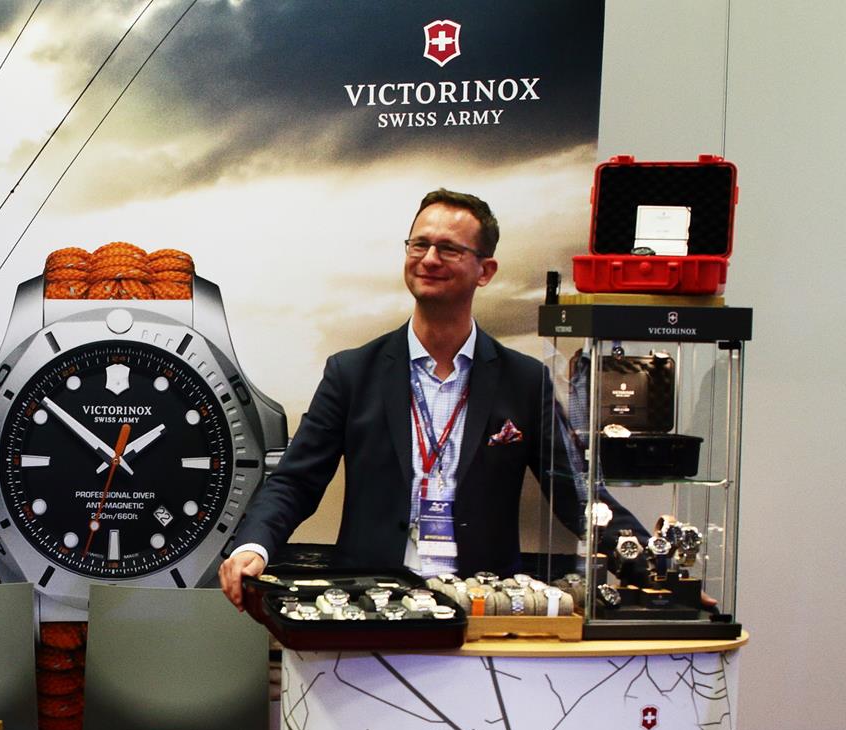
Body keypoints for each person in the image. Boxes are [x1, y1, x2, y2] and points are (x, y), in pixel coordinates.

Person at [220, 189, 591, 609]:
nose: (429, 259)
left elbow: (574, 493)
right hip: (368, 606)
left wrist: (635, 550)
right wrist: (253, 546)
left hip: (482, 608)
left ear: (485, 270)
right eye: (419, 244)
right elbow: (296, 481)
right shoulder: (352, 372)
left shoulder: (524, 380)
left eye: (448, 249)